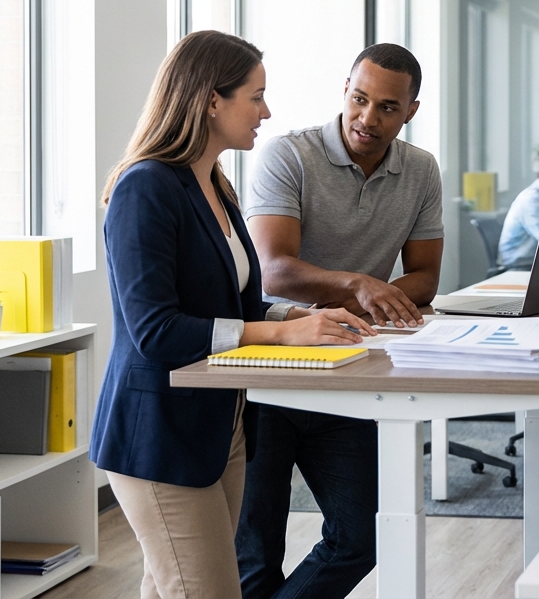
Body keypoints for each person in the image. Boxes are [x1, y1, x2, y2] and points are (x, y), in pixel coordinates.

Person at [92, 31, 374, 599]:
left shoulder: (215, 186)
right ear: (210, 100)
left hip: (221, 426)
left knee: (170, 586)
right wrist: (281, 334)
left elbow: (238, 308)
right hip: (160, 438)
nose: (266, 112)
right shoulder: (145, 188)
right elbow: (156, 332)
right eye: (256, 96)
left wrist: (301, 317)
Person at [237, 43, 444, 598]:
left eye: (388, 108)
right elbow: (275, 271)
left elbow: (425, 278)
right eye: (360, 99)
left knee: (362, 534)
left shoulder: (420, 169)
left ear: (411, 111)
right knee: (255, 552)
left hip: (348, 366)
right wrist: (358, 285)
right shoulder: (288, 155)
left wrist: (364, 302)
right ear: (345, 91)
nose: (368, 118)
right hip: (272, 363)